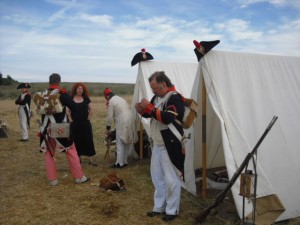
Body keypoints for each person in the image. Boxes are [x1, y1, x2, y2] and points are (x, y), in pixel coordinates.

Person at [135, 71, 185, 222]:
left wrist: (149, 107)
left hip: (170, 144)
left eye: (155, 88)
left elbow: (168, 118)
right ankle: (159, 207)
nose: (153, 91)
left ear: (163, 85)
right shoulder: (157, 97)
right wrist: (142, 112)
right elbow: (153, 114)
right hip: (157, 142)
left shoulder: (175, 98)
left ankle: (172, 209)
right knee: (157, 177)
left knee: (171, 179)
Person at [36, 73, 89, 186]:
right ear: (59, 82)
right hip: (60, 128)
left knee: (49, 153)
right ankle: (79, 177)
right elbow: (74, 107)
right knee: (71, 150)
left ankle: (53, 180)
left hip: (45, 128)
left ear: (49, 82)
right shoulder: (62, 94)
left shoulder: (43, 94)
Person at [103, 88, 137, 168]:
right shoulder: (120, 98)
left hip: (122, 121)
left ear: (107, 96)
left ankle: (119, 163)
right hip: (130, 119)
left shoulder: (111, 101)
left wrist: (108, 128)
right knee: (125, 141)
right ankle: (124, 161)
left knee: (120, 142)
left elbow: (109, 116)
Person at [66, 82, 97, 166]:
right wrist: (69, 118)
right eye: (79, 88)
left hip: (85, 123)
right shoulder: (71, 98)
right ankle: (78, 159)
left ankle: (91, 160)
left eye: (82, 89)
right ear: (75, 89)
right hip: (75, 124)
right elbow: (67, 110)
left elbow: (91, 108)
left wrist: (89, 117)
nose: (80, 90)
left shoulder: (86, 98)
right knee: (76, 140)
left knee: (88, 140)